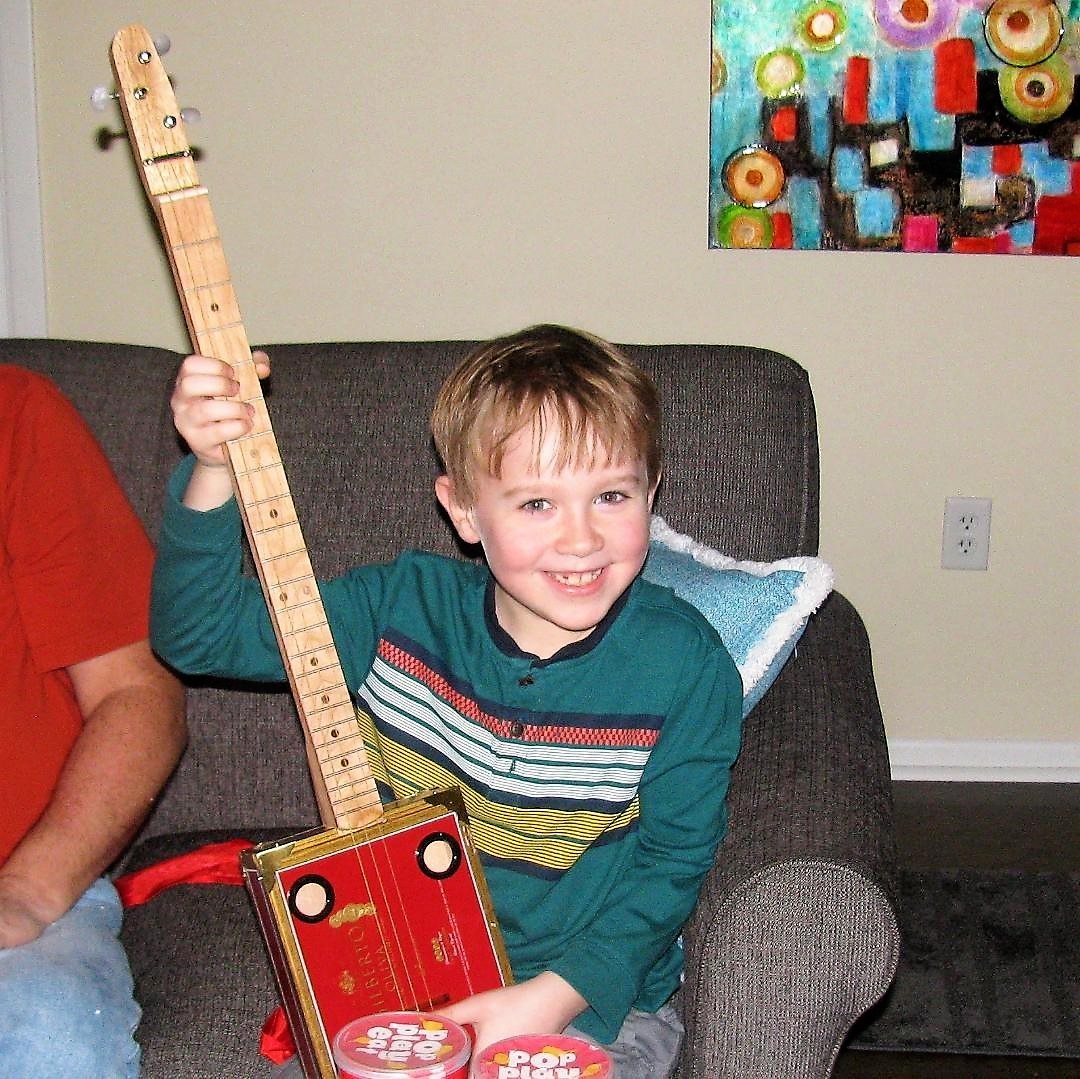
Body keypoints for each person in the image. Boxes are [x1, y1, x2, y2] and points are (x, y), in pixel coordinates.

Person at [151, 324, 742, 1077]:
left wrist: (555, 996)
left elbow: (674, 860)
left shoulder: (683, 663)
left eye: (611, 495)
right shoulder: (395, 609)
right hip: (401, 989)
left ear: (651, 496)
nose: (582, 538)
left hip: (591, 1005)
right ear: (463, 512)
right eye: (536, 503)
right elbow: (198, 637)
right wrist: (210, 469)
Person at [0, 365, 187, 1077]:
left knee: (48, 1032)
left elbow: (136, 695)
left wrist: (24, 891)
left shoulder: (16, 415)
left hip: (25, 892)